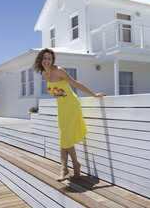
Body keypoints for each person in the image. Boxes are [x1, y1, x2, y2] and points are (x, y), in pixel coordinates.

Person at [33, 48, 106, 181]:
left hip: (71, 105)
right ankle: (66, 167)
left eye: (49, 58)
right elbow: (59, 91)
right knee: (63, 137)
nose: (47, 61)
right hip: (61, 106)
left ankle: (71, 167)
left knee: (66, 137)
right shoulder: (44, 74)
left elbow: (75, 84)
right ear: (41, 60)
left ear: (52, 60)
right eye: (45, 58)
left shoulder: (59, 70)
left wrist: (94, 95)